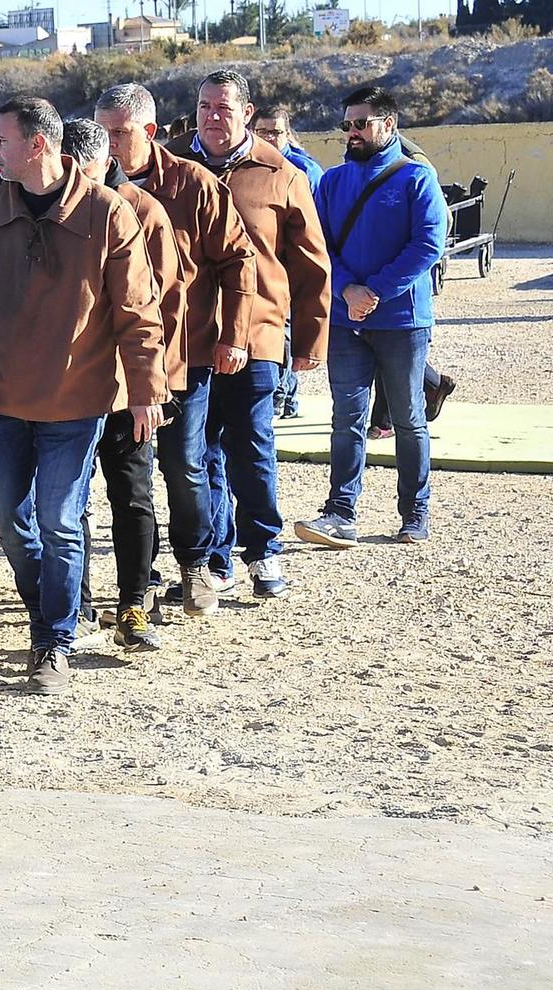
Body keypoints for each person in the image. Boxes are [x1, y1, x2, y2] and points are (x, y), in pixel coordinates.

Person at [0, 96, 165, 695]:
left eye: (2, 140)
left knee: (60, 520)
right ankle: (45, 608)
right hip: (2, 394)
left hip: (77, 397)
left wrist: (144, 391)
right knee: (8, 519)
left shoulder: (109, 213)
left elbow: (138, 311)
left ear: (37, 144)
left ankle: (53, 638)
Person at [168, 70, 331, 601]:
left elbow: (310, 265)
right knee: (199, 452)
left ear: (247, 112)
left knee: (251, 445)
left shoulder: (280, 174)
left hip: (257, 334)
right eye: (204, 107)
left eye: (223, 107)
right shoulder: (174, 169)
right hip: (190, 338)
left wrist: (309, 341)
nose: (213, 117)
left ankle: (263, 549)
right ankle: (216, 559)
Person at [94, 82, 255, 617]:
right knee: (127, 477)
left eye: (118, 133)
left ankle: (196, 563)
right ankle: (139, 576)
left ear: (150, 132)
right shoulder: (84, 191)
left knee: (185, 464)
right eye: (102, 132)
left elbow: (238, 262)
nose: (108, 143)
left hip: (185, 356)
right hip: (111, 363)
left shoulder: (193, 185)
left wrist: (235, 334)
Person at [296, 87, 447, 547]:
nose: (352, 132)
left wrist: (375, 292)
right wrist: (345, 289)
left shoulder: (417, 179)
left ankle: (414, 513)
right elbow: (316, 244)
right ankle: (340, 510)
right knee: (347, 418)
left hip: (402, 321)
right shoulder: (333, 182)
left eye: (361, 123)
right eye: (347, 124)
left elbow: (427, 244)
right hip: (345, 321)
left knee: (407, 417)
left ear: (389, 124)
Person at [62, 120, 179, 652]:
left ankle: (135, 603)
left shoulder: (140, 212)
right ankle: (78, 603)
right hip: (68, 388)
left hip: (126, 388)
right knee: (69, 503)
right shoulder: (51, 210)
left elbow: (158, 308)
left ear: (98, 164)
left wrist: (149, 387)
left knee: (132, 496)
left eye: (78, 173)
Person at [253, 103, 320, 419]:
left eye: (275, 132)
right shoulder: (249, 166)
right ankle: (285, 396)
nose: (268, 137)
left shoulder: (303, 171)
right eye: (262, 131)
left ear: (288, 133)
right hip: (265, 270)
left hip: (291, 269)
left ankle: (283, 395)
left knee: (287, 335)